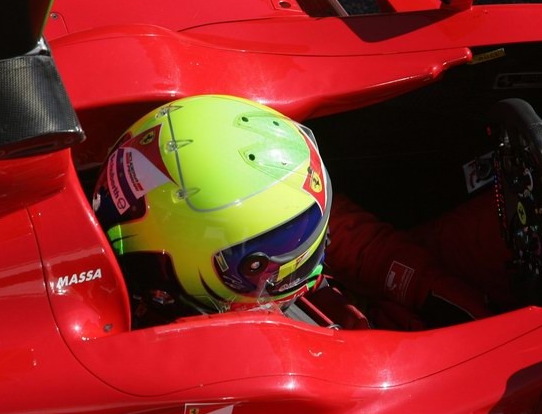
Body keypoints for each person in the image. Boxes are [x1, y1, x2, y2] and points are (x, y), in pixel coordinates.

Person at [92, 94, 498, 329]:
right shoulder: (214, 366)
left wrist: (421, 281)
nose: (315, 250)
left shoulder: (150, 209)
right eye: (292, 241)